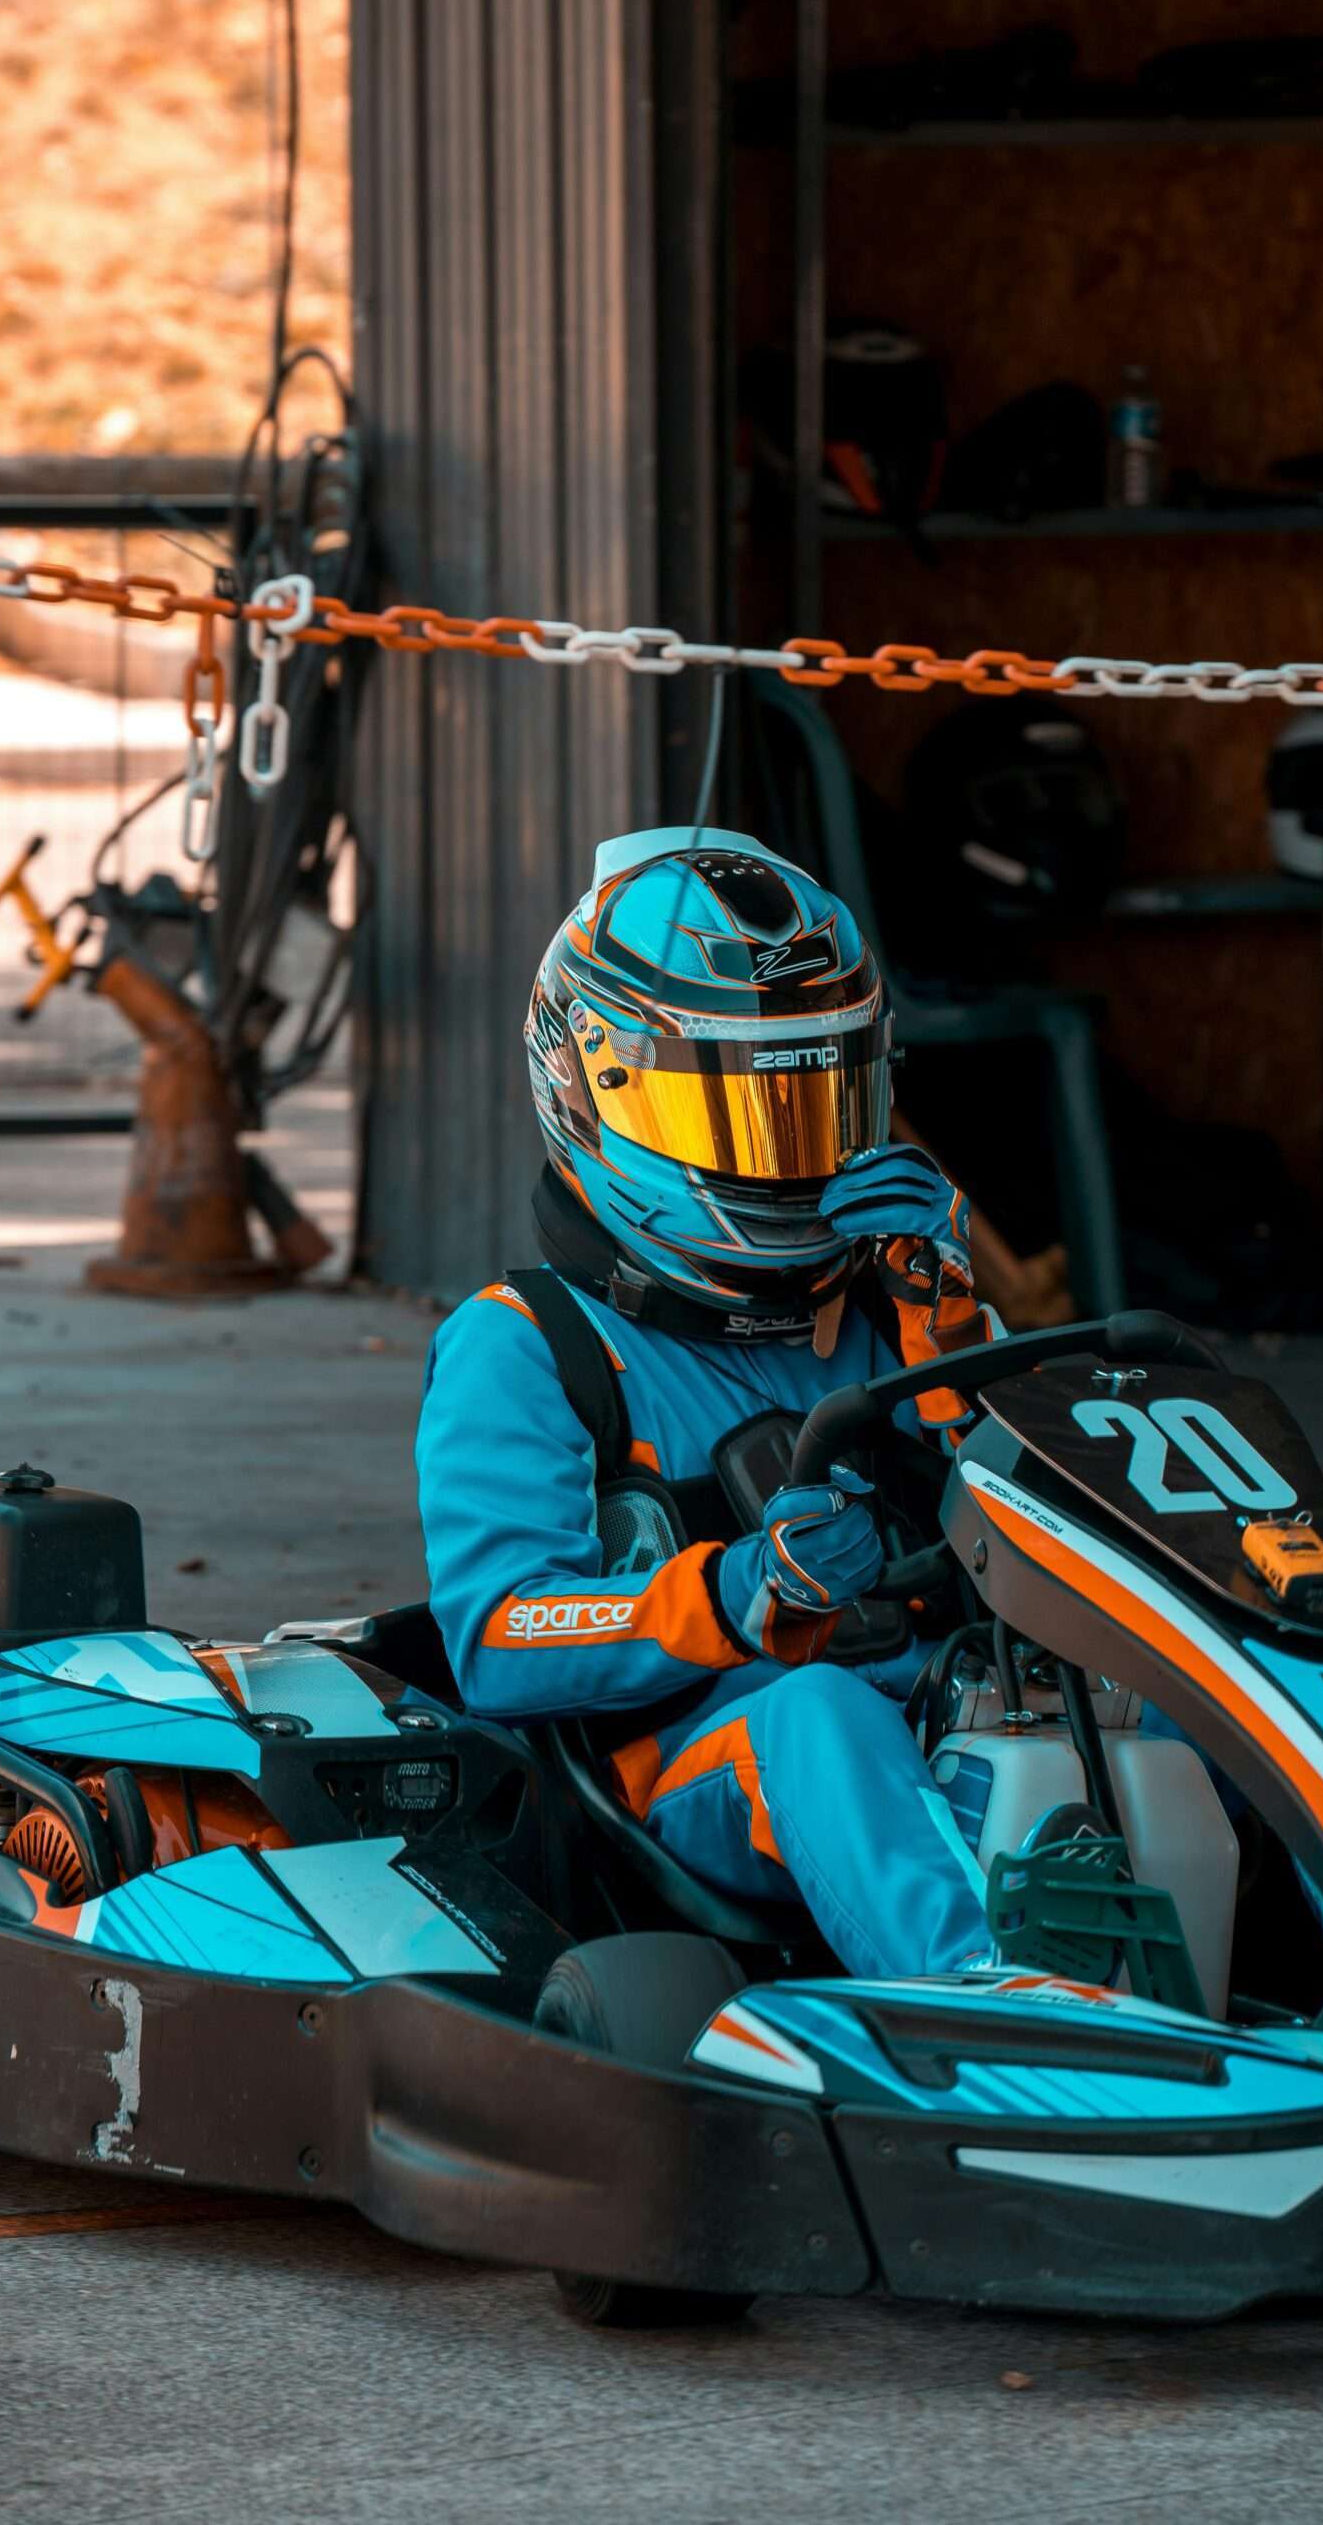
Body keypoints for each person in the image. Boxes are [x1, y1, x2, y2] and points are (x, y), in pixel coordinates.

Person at [417, 827, 1002, 1980]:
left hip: (948, 1703)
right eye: (735, 1116)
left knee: (1220, 1648)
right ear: (597, 1087)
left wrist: (952, 1329)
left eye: (815, 1107)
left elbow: (1032, 1533)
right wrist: (734, 1595)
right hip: (694, 1764)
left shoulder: (896, 1303)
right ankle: (1006, 2025)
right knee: (821, 1713)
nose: (789, 1167)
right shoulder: (525, 1344)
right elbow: (496, 1637)